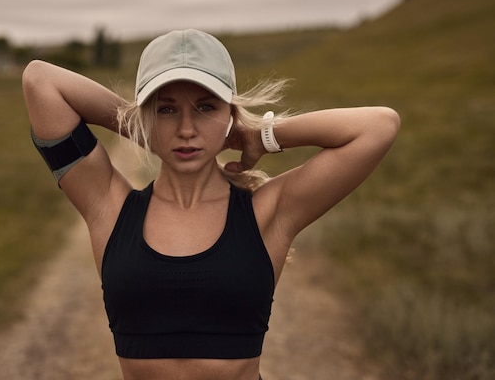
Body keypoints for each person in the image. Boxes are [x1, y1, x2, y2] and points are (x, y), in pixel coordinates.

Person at [22, 29, 400, 380]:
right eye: (166, 109)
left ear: (230, 115)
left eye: (206, 108)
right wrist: (141, 128)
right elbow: (40, 80)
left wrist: (260, 135)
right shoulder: (110, 206)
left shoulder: (267, 213)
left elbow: (379, 126)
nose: (187, 129)